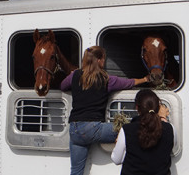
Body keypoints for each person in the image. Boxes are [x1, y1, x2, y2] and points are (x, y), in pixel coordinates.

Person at [60, 46, 149, 175]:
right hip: (93, 128)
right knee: (127, 130)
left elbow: (63, 86)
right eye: (104, 59)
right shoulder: (107, 79)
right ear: (100, 60)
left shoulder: (75, 75)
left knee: (76, 171)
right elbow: (128, 83)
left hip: (75, 130)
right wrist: (145, 79)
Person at [111, 89, 176, 175]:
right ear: (158, 107)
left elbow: (116, 159)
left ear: (137, 108)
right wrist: (163, 119)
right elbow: (169, 147)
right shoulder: (170, 129)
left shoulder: (127, 129)